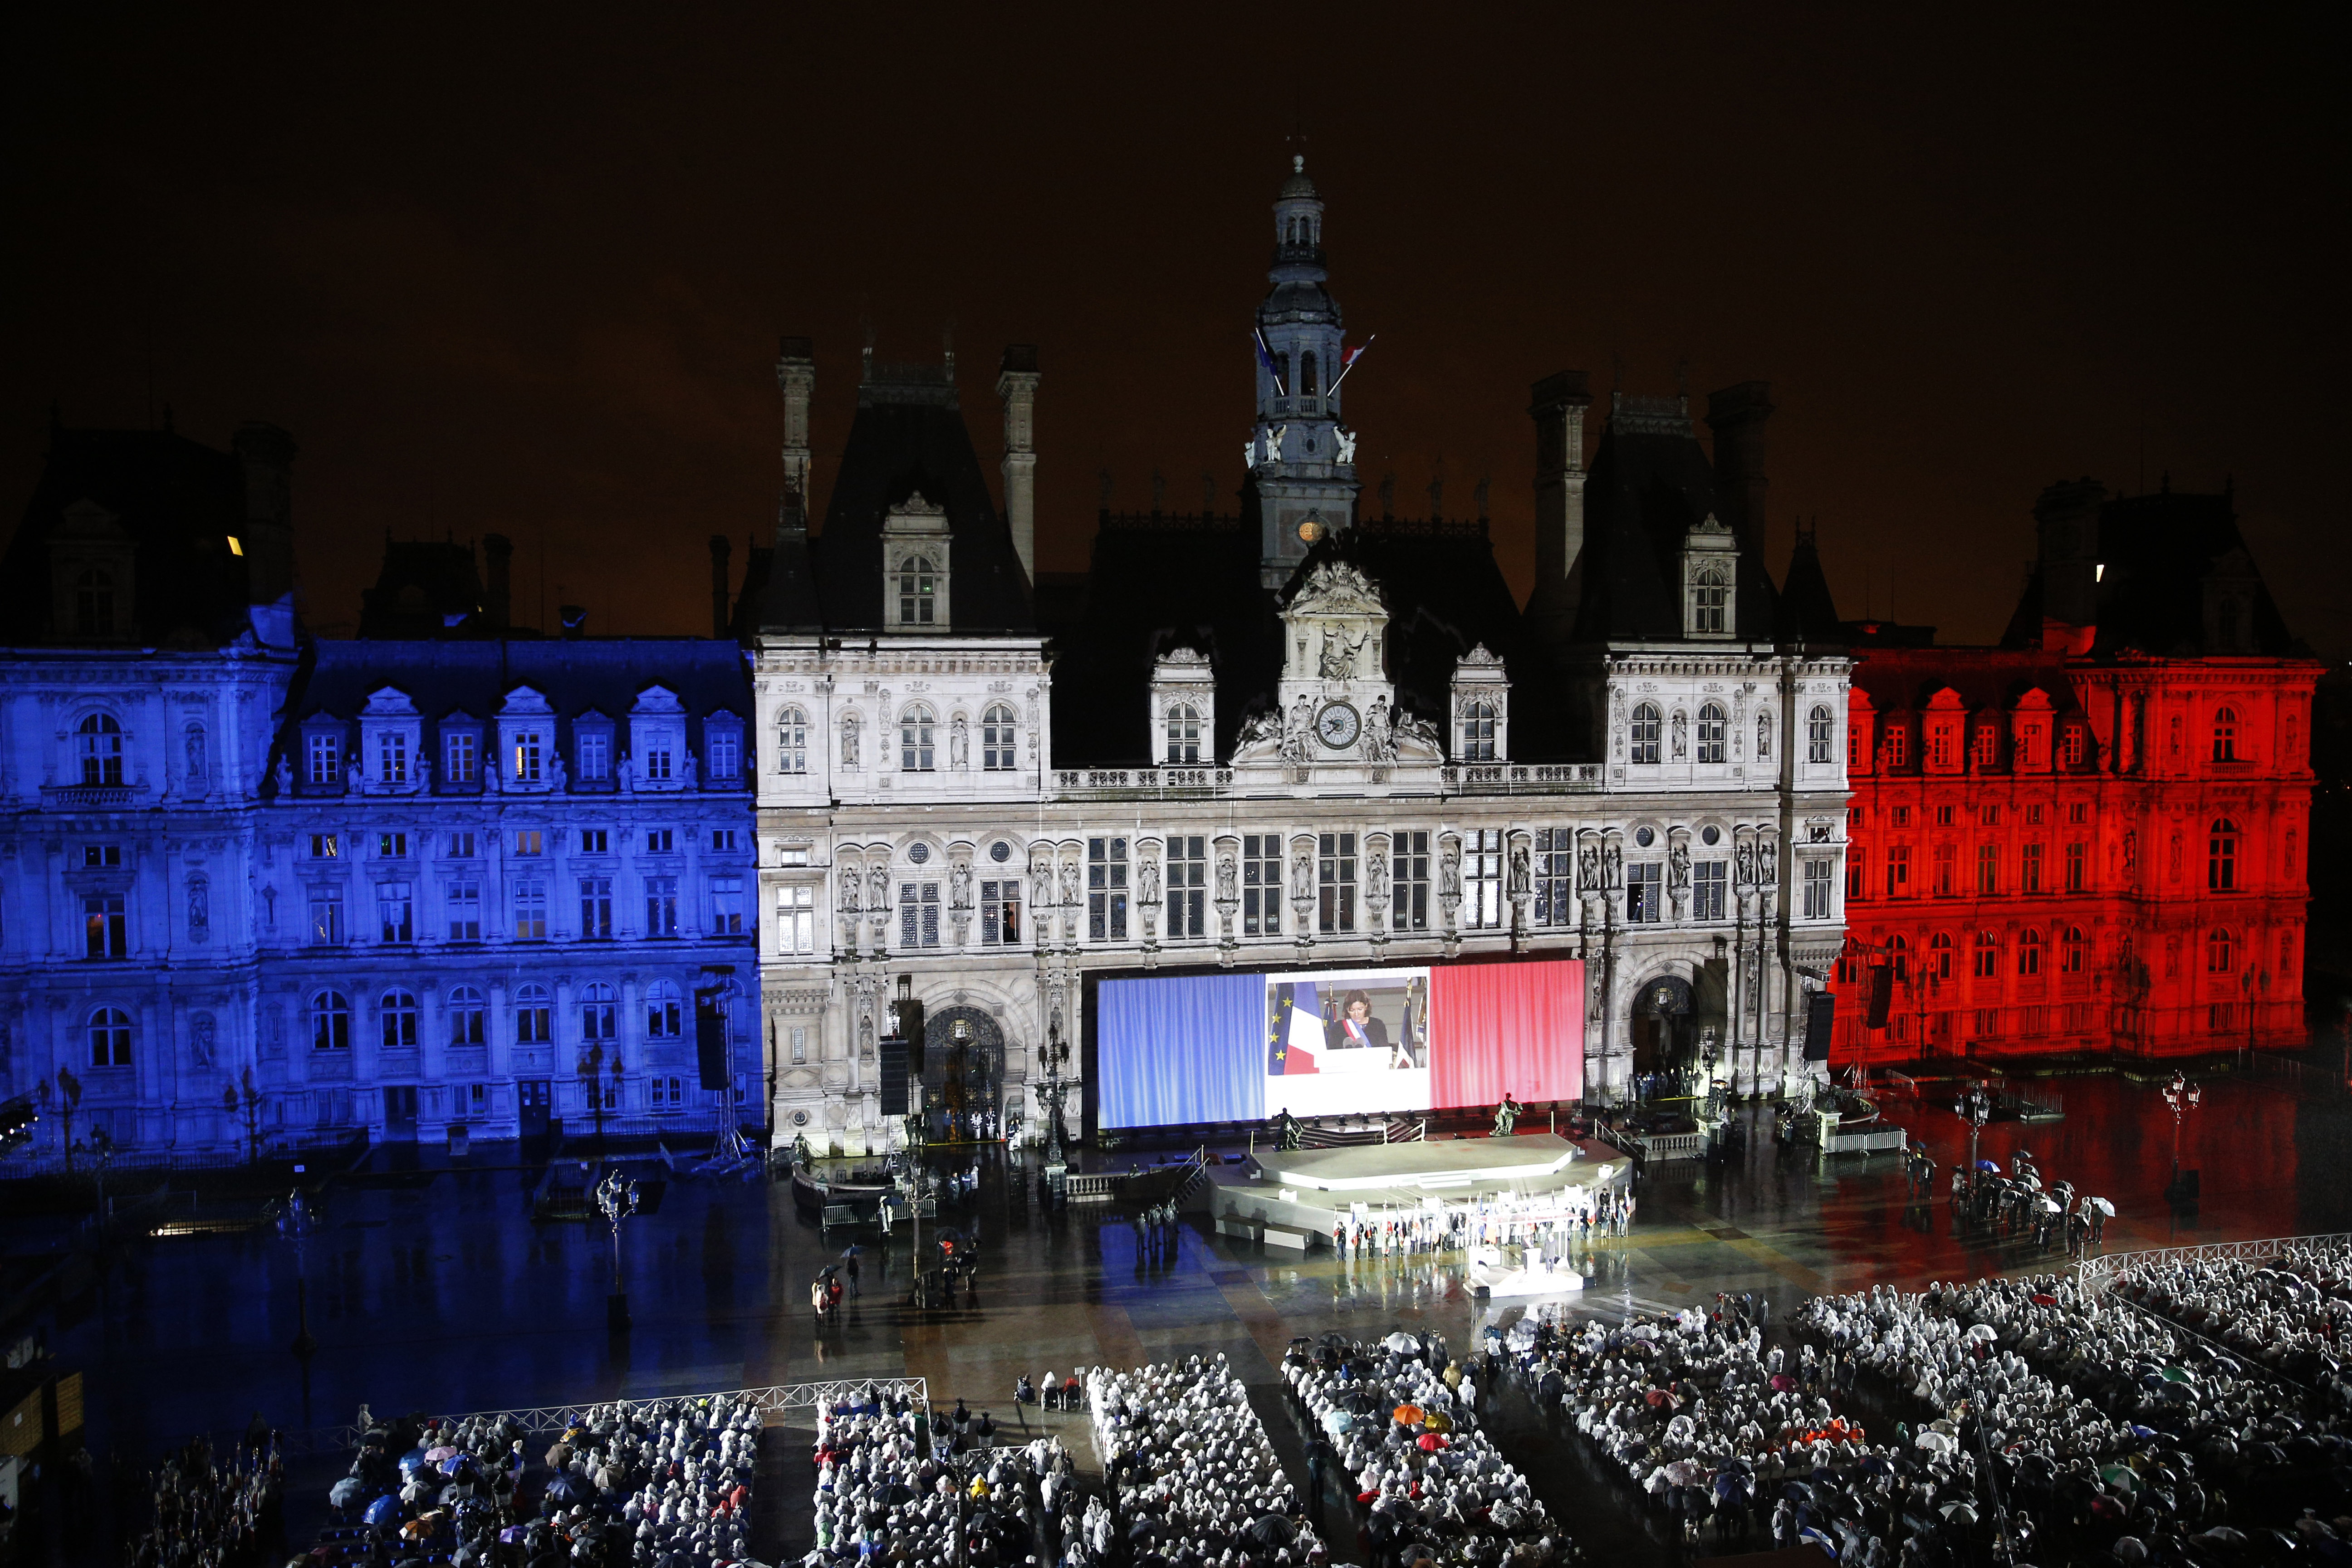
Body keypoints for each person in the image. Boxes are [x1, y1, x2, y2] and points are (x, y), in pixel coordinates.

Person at [1325, 990, 1390, 1054]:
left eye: (1360, 1009)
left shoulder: (1377, 1025)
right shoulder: (1339, 1027)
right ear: (1347, 1009)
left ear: (1366, 1006)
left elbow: (1384, 1050)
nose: (1356, 1014)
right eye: (1352, 1010)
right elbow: (1333, 1052)